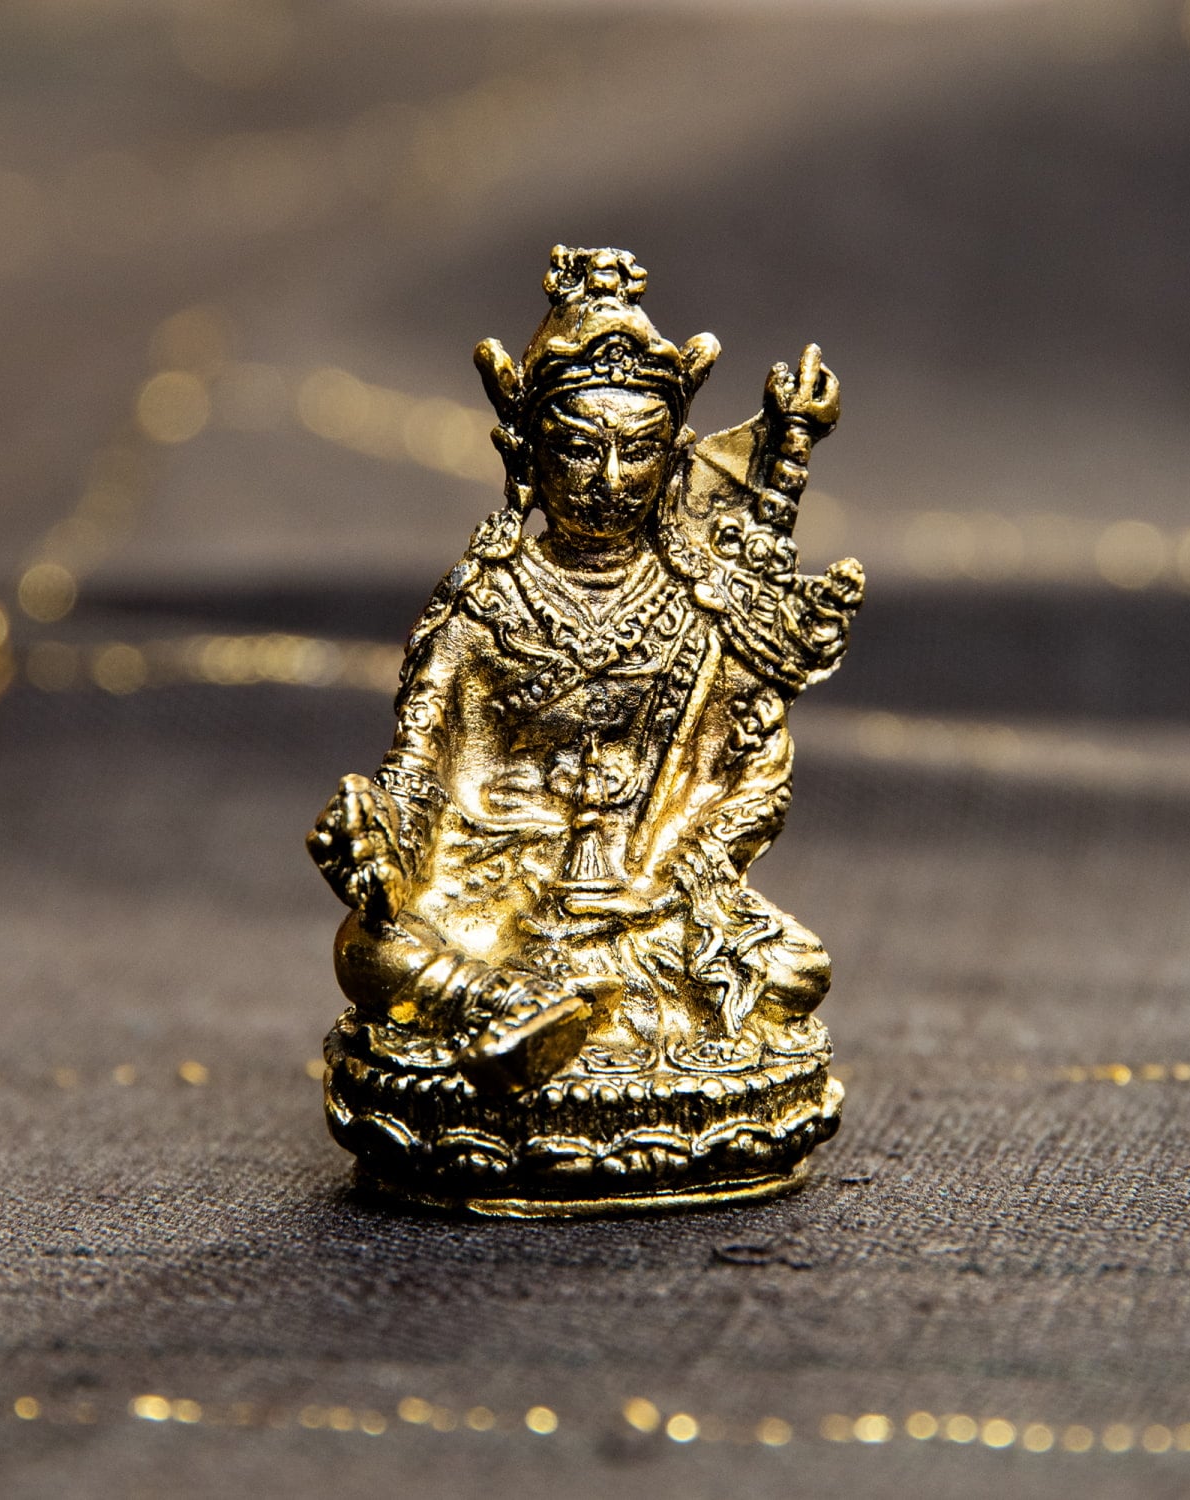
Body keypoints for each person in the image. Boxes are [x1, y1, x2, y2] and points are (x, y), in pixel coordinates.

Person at [309, 246, 863, 1206]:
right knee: (371, 948)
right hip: (498, 896)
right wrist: (370, 834)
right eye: (577, 448)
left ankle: (543, 1026)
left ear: (674, 455)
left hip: (651, 904)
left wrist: (673, 876)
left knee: (793, 971)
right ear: (525, 453)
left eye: (639, 449)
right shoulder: (485, 605)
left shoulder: (701, 604)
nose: (610, 478)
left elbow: (750, 768)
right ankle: (501, 1006)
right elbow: (418, 776)